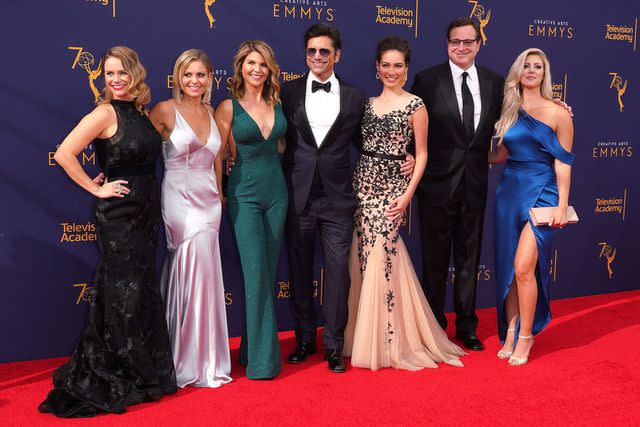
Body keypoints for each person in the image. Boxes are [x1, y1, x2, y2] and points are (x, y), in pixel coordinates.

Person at [39, 46, 176, 417]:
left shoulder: (141, 112)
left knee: (140, 287)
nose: (115, 79)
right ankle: (124, 371)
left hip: (146, 214)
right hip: (118, 215)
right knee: (124, 293)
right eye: (109, 73)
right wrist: (96, 187)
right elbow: (66, 153)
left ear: (135, 74)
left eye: (122, 72)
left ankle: (146, 370)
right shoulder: (103, 112)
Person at [281, 23, 415, 373]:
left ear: (337, 55)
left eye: (324, 51)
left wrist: (407, 157)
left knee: (338, 273)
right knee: (299, 270)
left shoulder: (355, 97)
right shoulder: (287, 92)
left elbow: (368, 141)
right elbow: (270, 133)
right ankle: (305, 338)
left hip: (339, 199)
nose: (317, 57)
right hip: (298, 198)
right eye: (311, 51)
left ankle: (334, 346)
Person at [343, 37, 465, 371]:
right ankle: (363, 337)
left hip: (394, 190)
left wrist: (407, 193)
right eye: (386, 65)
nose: (392, 71)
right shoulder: (365, 104)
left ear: (407, 69)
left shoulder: (416, 105)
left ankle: (391, 341)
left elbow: (422, 154)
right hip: (363, 185)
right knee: (364, 258)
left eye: (398, 65)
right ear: (377, 67)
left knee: (384, 255)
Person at [410, 17, 504, 351]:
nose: (461, 48)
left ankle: (467, 326)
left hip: (475, 186)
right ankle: (435, 326)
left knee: (468, 261)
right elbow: (412, 129)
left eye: (468, 42)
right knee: (434, 263)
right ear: (446, 44)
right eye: (455, 42)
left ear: (479, 44)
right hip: (435, 186)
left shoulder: (495, 82)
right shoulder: (427, 80)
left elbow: (517, 117)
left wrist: (557, 108)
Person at [150, 49, 231, 387]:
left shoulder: (214, 112)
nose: (194, 81)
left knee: (205, 276)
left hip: (209, 201)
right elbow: (138, 147)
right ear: (177, 77)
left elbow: (216, 159)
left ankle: (203, 357)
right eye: (188, 75)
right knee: (189, 270)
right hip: (179, 200)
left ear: (210, 77)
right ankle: (182, 359)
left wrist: (221, 194)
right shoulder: (165, 110)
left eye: (201, 75)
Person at [489, 48, 573, 365]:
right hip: (509, 191)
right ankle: (509, 331)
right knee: (510, 269)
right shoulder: (509, 109)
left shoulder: (559, 113)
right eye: (527, 65)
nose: (532, 70)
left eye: (538, 66)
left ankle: (526, 336)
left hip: (544, 193)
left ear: (545, 73)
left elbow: (563, 164)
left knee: (525, 267)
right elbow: (500, 155)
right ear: (518, 71)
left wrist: (562, 205)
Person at [214, 40, 287, 380]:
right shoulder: (228, 107)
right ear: (240, 67)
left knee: (266, 275)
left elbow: (280, 145)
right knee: (256, 274)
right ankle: (263, 363)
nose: (257, 69)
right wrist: (219, 193)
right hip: (243, 195)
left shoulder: (277, 101)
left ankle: (248, 349)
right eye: (250, 63)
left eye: (263, 64)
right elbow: (216, 154)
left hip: (277, 194)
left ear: (270, 69)